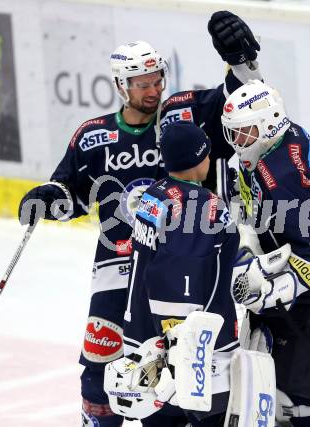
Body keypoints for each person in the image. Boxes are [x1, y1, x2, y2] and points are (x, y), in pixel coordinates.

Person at [17, 11, 262, 427]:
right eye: (141, 84)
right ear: (121, 85)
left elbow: (238, 99)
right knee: (101, 369)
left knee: (180, 367)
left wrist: (243, 62)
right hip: (116, 265)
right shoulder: (93, 136)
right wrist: (48, 198)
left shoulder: (185, 115)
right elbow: (71, 193)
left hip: (178, 266)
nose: (152, 91)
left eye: (156, 80)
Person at [220, 79, 310, 427]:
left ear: (269, 124)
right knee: (288, 394)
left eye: (245, 133)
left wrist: (277, 289)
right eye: (234, 133)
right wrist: (249, 249)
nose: (238, 142)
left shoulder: (284, 177)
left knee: (291, 397)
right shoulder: (277, 141)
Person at [106, 120, 240, 426]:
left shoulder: (152, 196)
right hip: (189, 349)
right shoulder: (203, 206)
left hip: (143, 339)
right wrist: (182, 345)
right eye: (206, 152)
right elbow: (178, 278)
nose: (210, 158)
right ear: (198, 157)